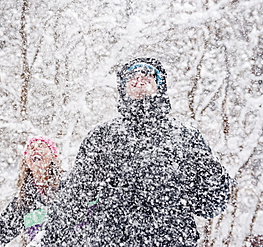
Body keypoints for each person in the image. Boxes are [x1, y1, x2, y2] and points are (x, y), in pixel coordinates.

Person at [41, 57, 231, 246]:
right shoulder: (101, 137)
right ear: (123, 87)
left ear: (160, 85)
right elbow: (74, 198)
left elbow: (210, 205)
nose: (139, 76)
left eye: (148, 73)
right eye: (132, 74)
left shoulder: (185, 138)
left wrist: (215, 177)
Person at [0, 136, 62, 247]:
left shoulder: (69, 185)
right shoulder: (24, 201)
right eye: (31, 148)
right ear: (26, 161)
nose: (35, 149)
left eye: (41, 146)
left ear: (53, 156)